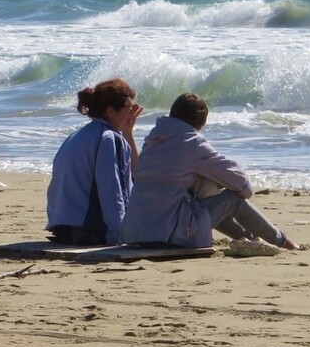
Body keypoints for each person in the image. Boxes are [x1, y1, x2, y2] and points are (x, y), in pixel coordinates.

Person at [119, 92, 299, 249]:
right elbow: (242, 185)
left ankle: (252, 238)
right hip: (171, 235)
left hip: (136, 232)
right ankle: (282, 241)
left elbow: (138, 174)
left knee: (200, 204)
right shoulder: (193, 143)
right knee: (232, 199)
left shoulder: (153, 139)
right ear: (200, 122)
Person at [46, 78, 143, 245]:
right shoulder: (108, 138)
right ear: (111, 112)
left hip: (62, 226)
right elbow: (111, 192)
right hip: (86, 228)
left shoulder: (79, 135)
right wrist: (118, 236)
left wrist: (128, 131)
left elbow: (133, 176)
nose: (132, 114)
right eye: (128, 110)